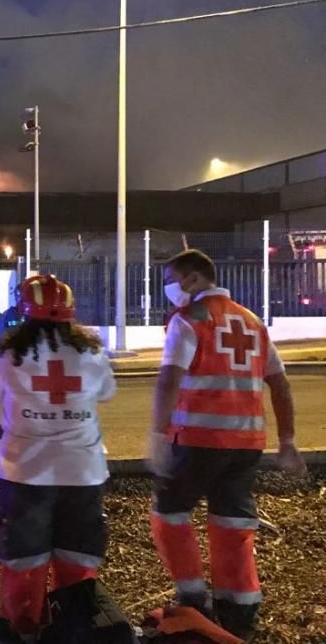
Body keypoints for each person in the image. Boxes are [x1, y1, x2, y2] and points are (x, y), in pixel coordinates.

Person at [148, 249, 306, 639]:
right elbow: (280, 385)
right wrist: (287, 440)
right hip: (246, 443)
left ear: (192, 278)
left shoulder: (189, 320)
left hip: (199, 439)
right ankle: (240, 609)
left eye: (172, 279)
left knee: (169, 512)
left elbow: (169, 379)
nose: (170, 288)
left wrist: (157, 435)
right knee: (232, 521)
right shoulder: (253, 322)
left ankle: (192, 598)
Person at [0, 274, 115, 639]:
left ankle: (22, 633)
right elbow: (107, 393)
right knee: (77, 566)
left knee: (24, 566)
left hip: (26, 476)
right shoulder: (91, 352)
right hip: (83, 474)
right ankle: (76, 631)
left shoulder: (10, 355)